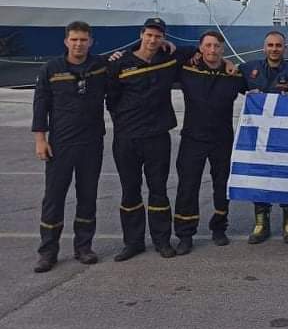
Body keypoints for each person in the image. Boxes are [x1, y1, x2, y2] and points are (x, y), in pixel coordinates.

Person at [105, 18, 196, 261]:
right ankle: (133, 243)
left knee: (158, 190)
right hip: (127, 138)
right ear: (141, 35)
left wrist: (228, 62)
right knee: (130, 191)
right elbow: (111, 99)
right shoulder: (120, 63)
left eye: (158, 36)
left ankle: (162, 241)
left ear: (163, 37)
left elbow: (200, 49)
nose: (153, 40)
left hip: (157, 137)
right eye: (149, 35)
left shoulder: (168, 58)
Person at [31, 21, 108, 273]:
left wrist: (165, 44)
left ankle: (83, 247)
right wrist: (40, 140)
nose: (78, 44)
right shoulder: (51, 69)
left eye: (83, 40)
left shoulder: (100, 66)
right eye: (74, 39)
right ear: (66, 41)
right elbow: (40, 105)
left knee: (87, 196)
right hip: (60, 144)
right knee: (53, 198)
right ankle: (48, 252)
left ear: (91, 42)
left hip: (91, 142)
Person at [172, 31, 248, 255]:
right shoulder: (186, 69)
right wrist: (192, 53)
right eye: (207, 46)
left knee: (221, 185)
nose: (212, 50)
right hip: (193, 138)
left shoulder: (233, 74)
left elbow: (258, 88)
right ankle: (185, 234)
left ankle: (219, 227)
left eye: (216, 46)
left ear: (222, 49)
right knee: (188, 187)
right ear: (200, 48)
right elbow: (169, 53)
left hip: (222, 139)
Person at [239, 31, 288, 244]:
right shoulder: (249, 69)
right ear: (264, 47)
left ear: (285, 48)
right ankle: (261, 223)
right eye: (270, 45)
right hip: (258, 135)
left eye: (278, 45)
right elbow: (231, 78)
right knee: (260, 175)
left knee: (287, 176)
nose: (274, 49)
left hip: (284, 135)